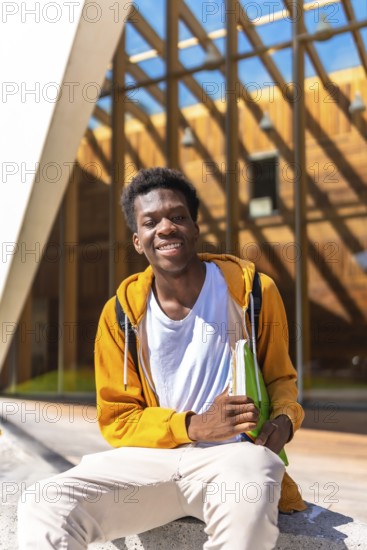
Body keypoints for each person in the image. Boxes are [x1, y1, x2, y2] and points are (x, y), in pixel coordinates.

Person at [18, 167, 306, 549]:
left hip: (234, 458)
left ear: (195, 228)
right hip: (149, 461)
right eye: (151, 221)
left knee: (249, 498)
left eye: (178, 216)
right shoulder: (119, 314)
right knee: (44, 502)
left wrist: (285, 421)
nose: (166, 227)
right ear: (138, 241)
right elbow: (118, 419)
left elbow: (280, 380)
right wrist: (193, 426)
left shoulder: (252, 291)